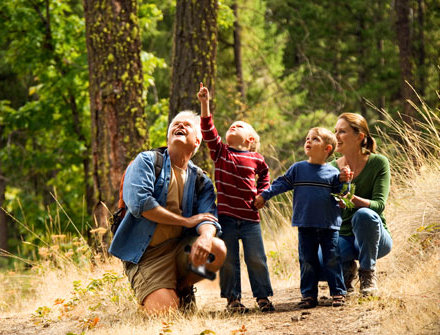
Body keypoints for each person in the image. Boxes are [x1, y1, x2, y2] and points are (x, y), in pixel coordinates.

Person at [108, 111, 227, 315]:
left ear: (197, 141)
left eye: (187, 125)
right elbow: (140, 203)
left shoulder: (200, 180)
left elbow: (208, 217)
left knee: (216, 248)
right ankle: (163, 291)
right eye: (176, 124)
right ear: (168, 136)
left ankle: (183, 285)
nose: (180, 126)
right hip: (146, 257)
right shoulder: (146, 161)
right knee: (167, 313)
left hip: (179, 249)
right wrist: (186, 221)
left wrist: (206, 236)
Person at [198, 83, 275, 313]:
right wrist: (205, 103)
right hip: (227, 218)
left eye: (239, 126)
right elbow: (209, 131)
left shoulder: (256, 158)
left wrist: (263, 194)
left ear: (251, 139)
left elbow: (265, 176)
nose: (233, 127)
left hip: (251, 219)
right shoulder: (222, 152)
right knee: (229, 261)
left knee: (257, 259)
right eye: (231, 126)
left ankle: (262, 297)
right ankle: (233, 300)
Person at [254, 127, 347, 309]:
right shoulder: (298, 169)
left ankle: (338, 292)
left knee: (332, 258)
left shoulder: (334, 173)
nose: (308, 141)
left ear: (327, 149)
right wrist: (265, 195)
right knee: (307, 260)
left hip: (329, 225)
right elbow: (281, 183)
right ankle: (309, 295)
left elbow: (342, 197)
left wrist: (346, 182)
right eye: (307, 138)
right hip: (305, 224)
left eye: (315, 139)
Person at [331, 113, 392, 296]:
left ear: (360, 137)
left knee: (364, 214)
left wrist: (352, 199)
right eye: (335, 131)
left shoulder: (379, 163)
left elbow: (379, 205)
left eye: (342, 131)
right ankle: (347, 268)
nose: (336, 136)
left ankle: (367, 273)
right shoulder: (331, 168)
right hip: (344, 237)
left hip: (374, 237)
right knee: (318, 260)